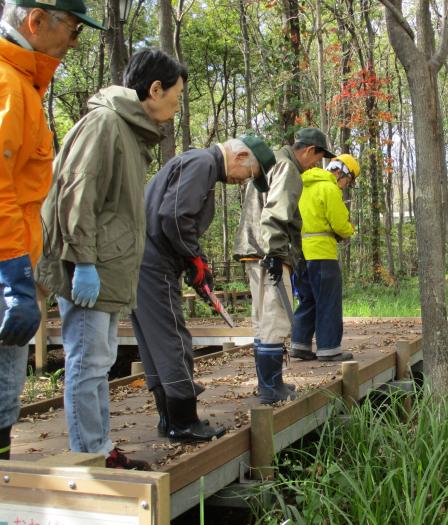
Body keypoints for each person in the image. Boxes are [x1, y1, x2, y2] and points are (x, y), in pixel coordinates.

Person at [35, 49, 187, 470]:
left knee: (98, 360)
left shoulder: (126, 129)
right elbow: (76, 195)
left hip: (106, 266)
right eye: (174, 100)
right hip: (90, 266)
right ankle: (90, 458)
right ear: (153, 90)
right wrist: (82, 262)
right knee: (86, 360)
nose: (174, 111)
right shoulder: (105, 123)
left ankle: (100, 449)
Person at [0, 0, 103, 461]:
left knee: (5, 401)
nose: (74, 44)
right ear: (36, 21)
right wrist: (11, 273)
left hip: (17, 262)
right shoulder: (7, 85)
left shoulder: (24, 86)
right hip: (7, 266)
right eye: (73, 30)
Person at [131, 136, 276, 441]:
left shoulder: (197, 164)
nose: (241, 183)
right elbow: (173, 218)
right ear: (240, 156)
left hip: (143, 260)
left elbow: (178, 222)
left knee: (154, 342)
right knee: (172, 339)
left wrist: (200, 264)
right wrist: (193, 257)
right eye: (248, 175)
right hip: (155, 264)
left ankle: (168, 420)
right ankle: (184, 422)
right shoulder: (203, 164)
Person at [233, 127, 335, 404]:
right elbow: (276, 212)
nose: (315, 164)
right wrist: (277, 255)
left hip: (255, 250)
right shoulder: (288, 168)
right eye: (317, 159)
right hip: (268, 252)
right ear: (309, 150)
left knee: (262, 320)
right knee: (274, 320)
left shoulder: (272, 162)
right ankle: (271, 389)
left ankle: (271, 384)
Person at [290, 154, 359, 362]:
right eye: (349, 180)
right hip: (322, 253)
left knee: (307, 299)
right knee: (328, 301)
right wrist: (349, 230)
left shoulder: (301, 184)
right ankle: (329, 348)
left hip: (300, 253)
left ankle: (299, 344)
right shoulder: (329, 189)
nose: (346, 185)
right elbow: (339, 223)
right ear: (342, 171)